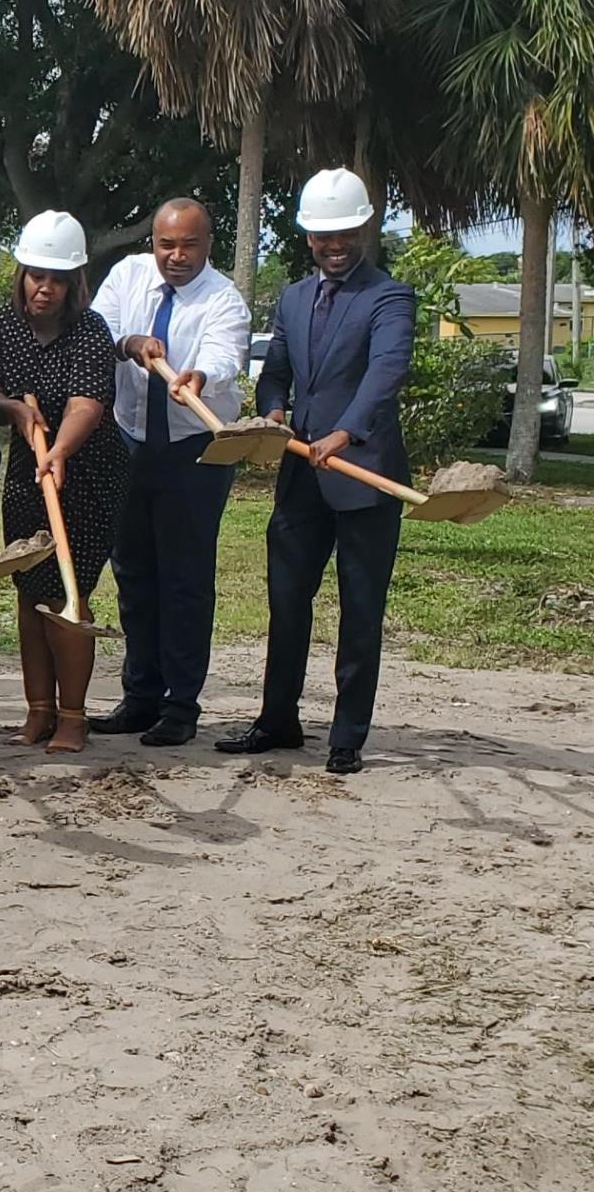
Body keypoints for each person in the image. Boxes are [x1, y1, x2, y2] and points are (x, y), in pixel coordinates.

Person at [217, 169, 414, 775]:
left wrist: (345, 432)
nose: (333, 244)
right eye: (322, 234)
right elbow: (276, 367)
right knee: (286, 601)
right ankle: (278, 720)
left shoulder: (389, 296)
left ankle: (347, 736)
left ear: (363, 228)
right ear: (307, 236)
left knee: (360, 610)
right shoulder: (296, 297)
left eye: (344, 233)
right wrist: (273, 408)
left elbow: (387, 371)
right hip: (301, 473)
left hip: (364, 475)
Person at [89, 199, 250, 747]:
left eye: (189, 245)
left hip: (194, 450)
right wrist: (130, 344)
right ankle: (140, 697)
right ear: (153, 242)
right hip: (128, 442)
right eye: (166, 244)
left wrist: (200, 375)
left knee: (184, 579)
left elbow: (225, 354)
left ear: (209, 245)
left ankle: (180, 706)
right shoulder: (127, 275)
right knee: (133, 573)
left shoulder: (223, 299)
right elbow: (98, 332)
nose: (176, 256)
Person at [0, 210, 128, 755]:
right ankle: (37, 711)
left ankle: (73, 716)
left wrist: (60, 449)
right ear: (22, 275)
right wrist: (16, 411)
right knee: (29, 590)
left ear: (73, 283)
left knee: (70, 591)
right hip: (26, 468)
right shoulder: (2, 325)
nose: (45, 288)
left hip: (87, 469)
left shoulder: (90, 331)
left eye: (58, 278)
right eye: (37, 275)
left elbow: (88, 402)